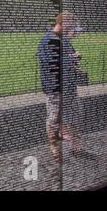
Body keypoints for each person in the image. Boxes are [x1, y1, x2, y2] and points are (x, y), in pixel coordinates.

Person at [37, 12, 84, 163]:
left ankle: (75, 146)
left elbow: (69, 59)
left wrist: (76, 68)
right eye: (71, 28)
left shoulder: (65, 41)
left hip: (69, 88)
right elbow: (49, 62)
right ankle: (55, 150)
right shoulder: (48, 39)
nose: (74, 33)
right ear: (62, 25)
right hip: (55, 89)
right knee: (53, 119)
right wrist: (72, 58)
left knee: (75, 116)